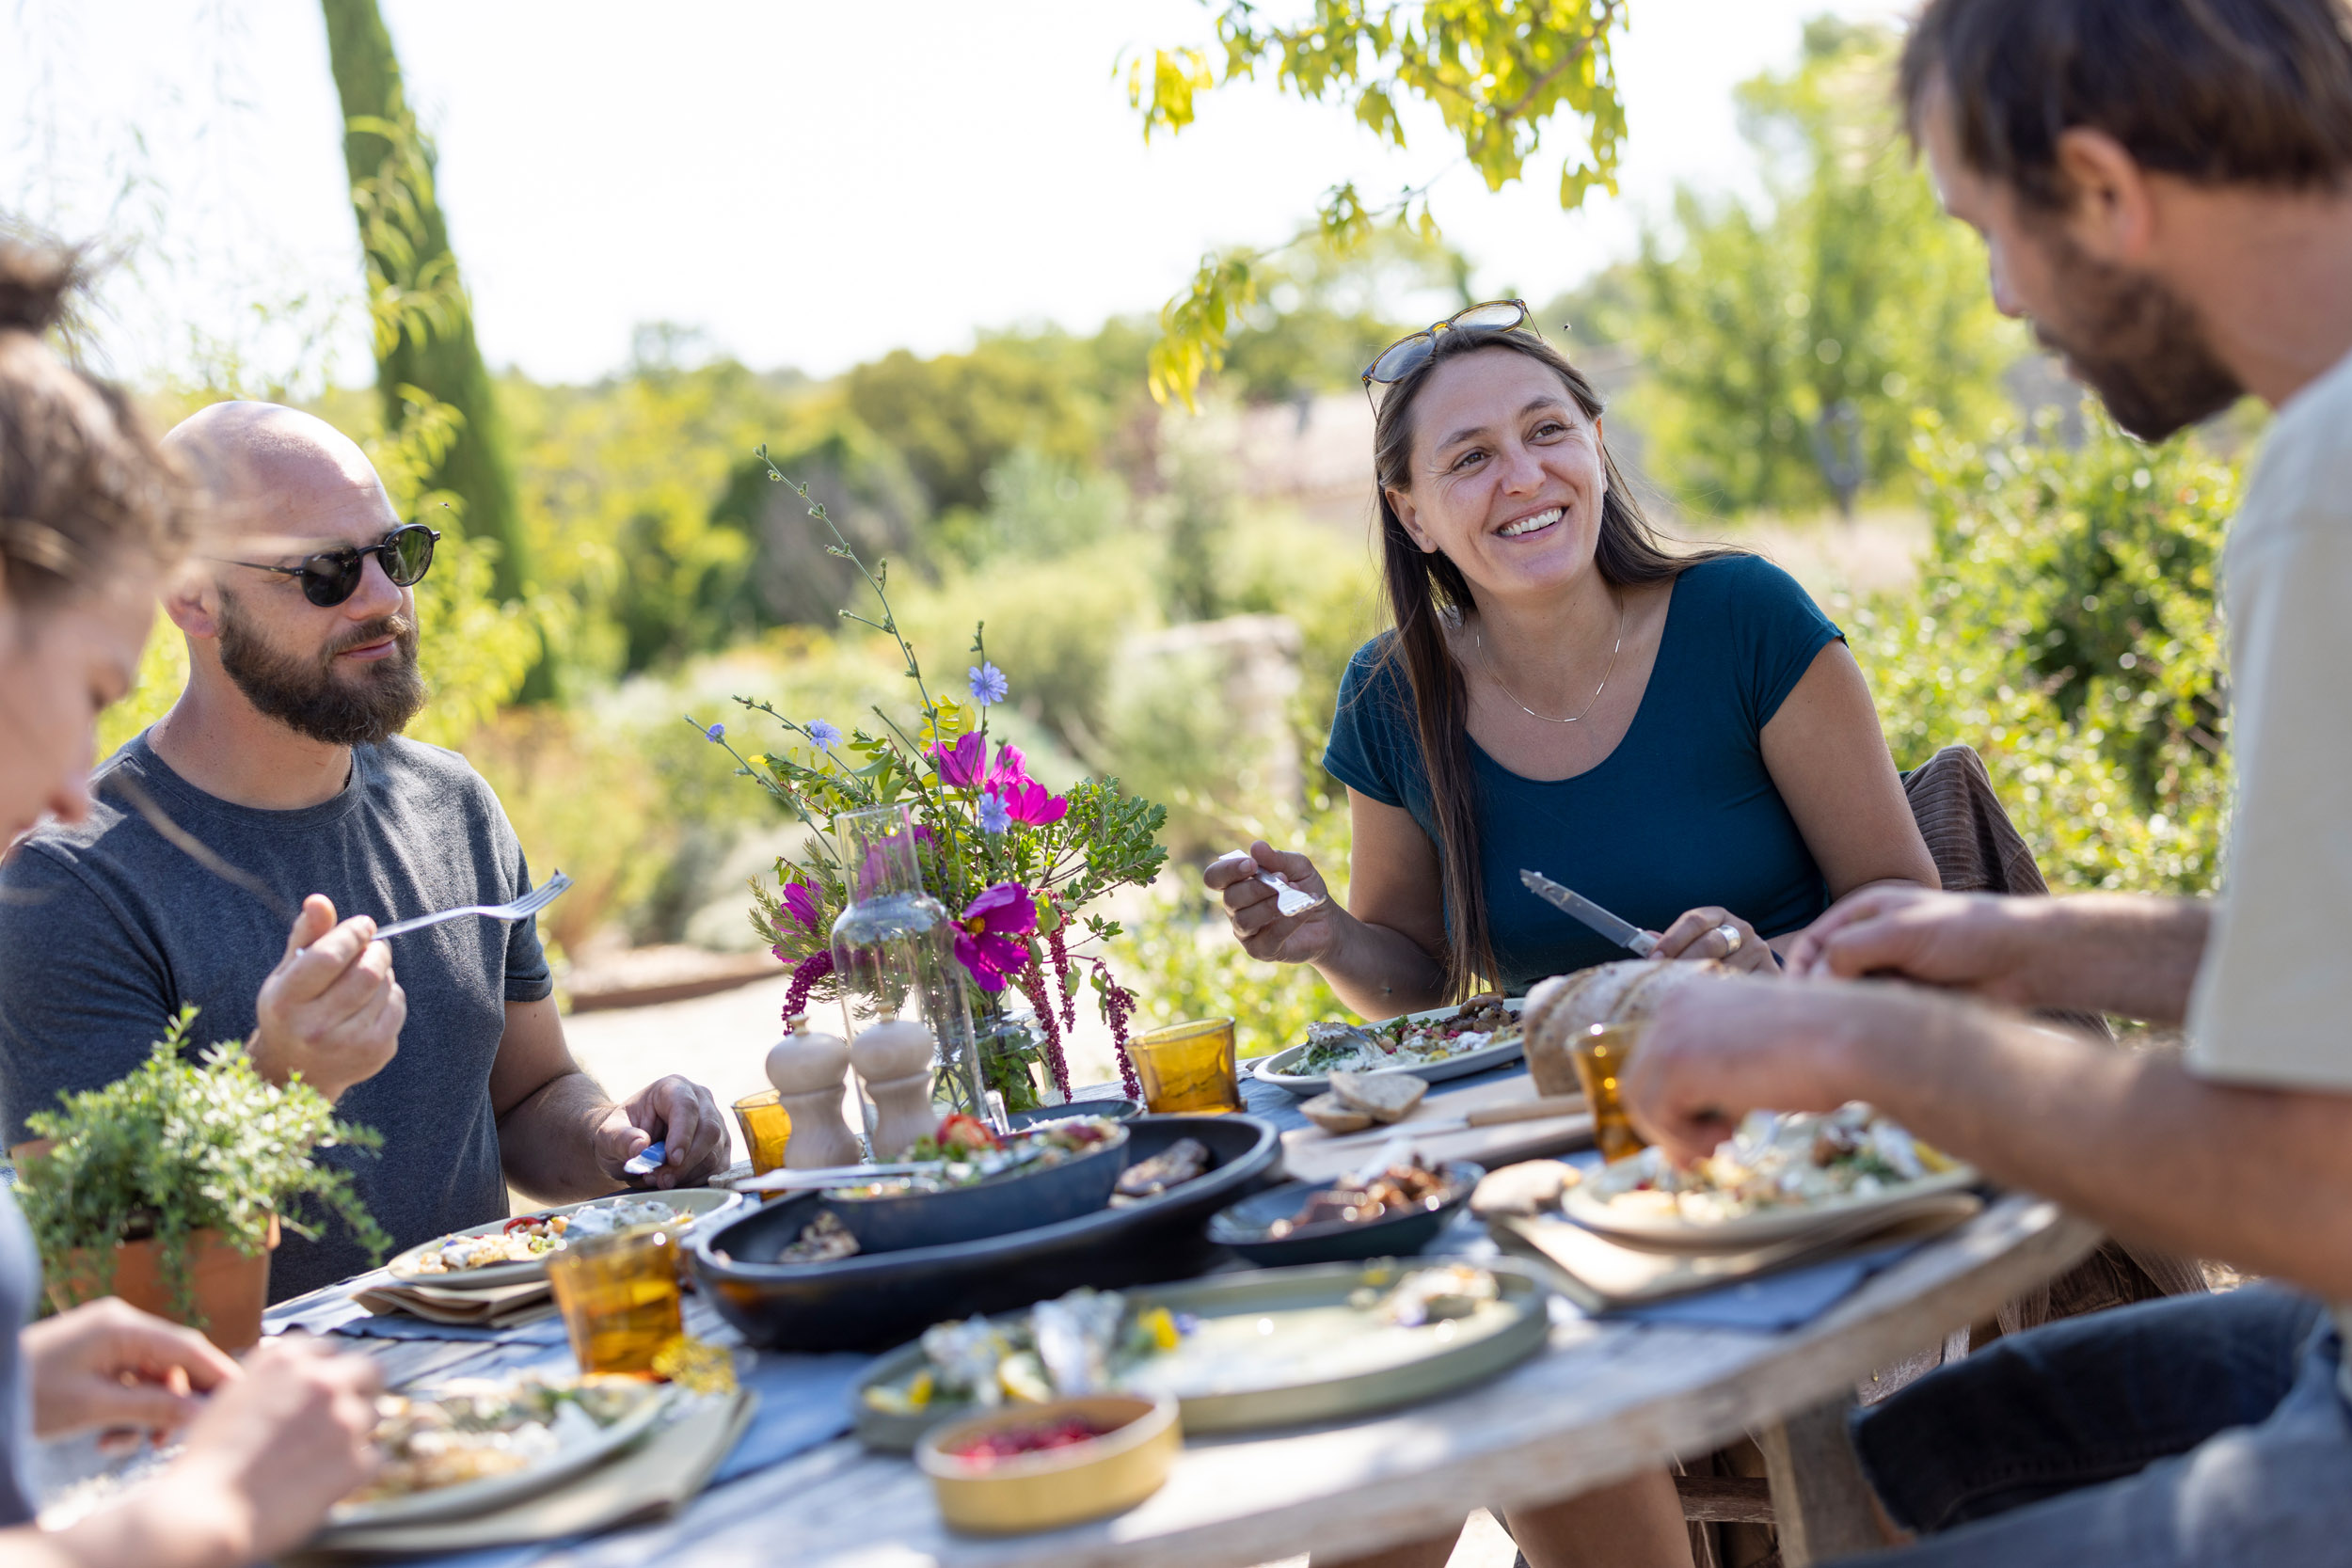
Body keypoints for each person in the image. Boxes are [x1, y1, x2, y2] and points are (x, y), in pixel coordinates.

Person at [1620, 0, 2352, 1561]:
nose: (2009, 299)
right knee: (1903, 1455)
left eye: (1987, 234)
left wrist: (1848, 1035)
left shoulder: (2324, 487)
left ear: (2099, 187)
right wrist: (2019, 945)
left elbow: (2307, 1176)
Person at [1209, 312, 1940, 1567]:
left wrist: (1767, 962)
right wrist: (1330, 929)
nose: (1525, 475)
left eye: (1548, 431)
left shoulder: (1743, 617)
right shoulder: (1393, 694)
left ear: (1598, 446)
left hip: (1796, 1126)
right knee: (1435, 1348)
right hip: (1568, 1144)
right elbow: (1418, 980)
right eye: (1472, 456)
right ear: (1415, 512)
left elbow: (1911, 914)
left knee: (1475, 1363)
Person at [0, 396, 726, 1302]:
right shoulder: (71, 883)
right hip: (270, 1424)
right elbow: (106, 1273)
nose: (384, 598)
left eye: (396, 553)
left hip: (505, 1387)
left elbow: (526, 1096)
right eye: (326, 572)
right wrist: (283, 1081)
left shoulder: (450, 801)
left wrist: (618, 1140)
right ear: (191, 596)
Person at [0, 237, 380, 1564]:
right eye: (97, 686)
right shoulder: (67, 875)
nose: (69, 787)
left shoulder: (441, 796)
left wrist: (15, 1384)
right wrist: (207, 1509)